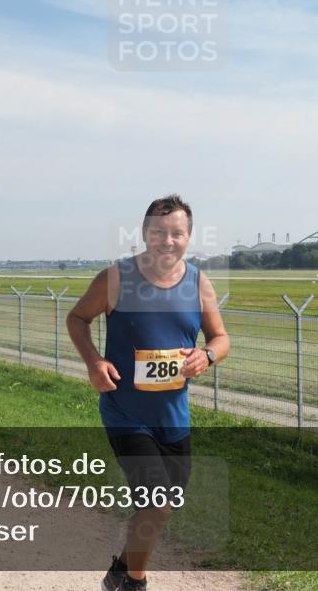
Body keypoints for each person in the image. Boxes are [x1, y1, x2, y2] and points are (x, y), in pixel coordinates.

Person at [66, 195, 230, 591]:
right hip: (126, 413)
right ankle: (133, 584)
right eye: (159, 232)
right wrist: (93, 361)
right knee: (155, 503)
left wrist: (207, 356)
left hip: (174, 418)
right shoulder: (116, 278)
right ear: (144, 234)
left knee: (161, 506)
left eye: (177, 233)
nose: (167, 241)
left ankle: (119, 571)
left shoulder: (198, 282)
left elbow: (221, 338)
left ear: (189, 237)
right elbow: (77, 318)